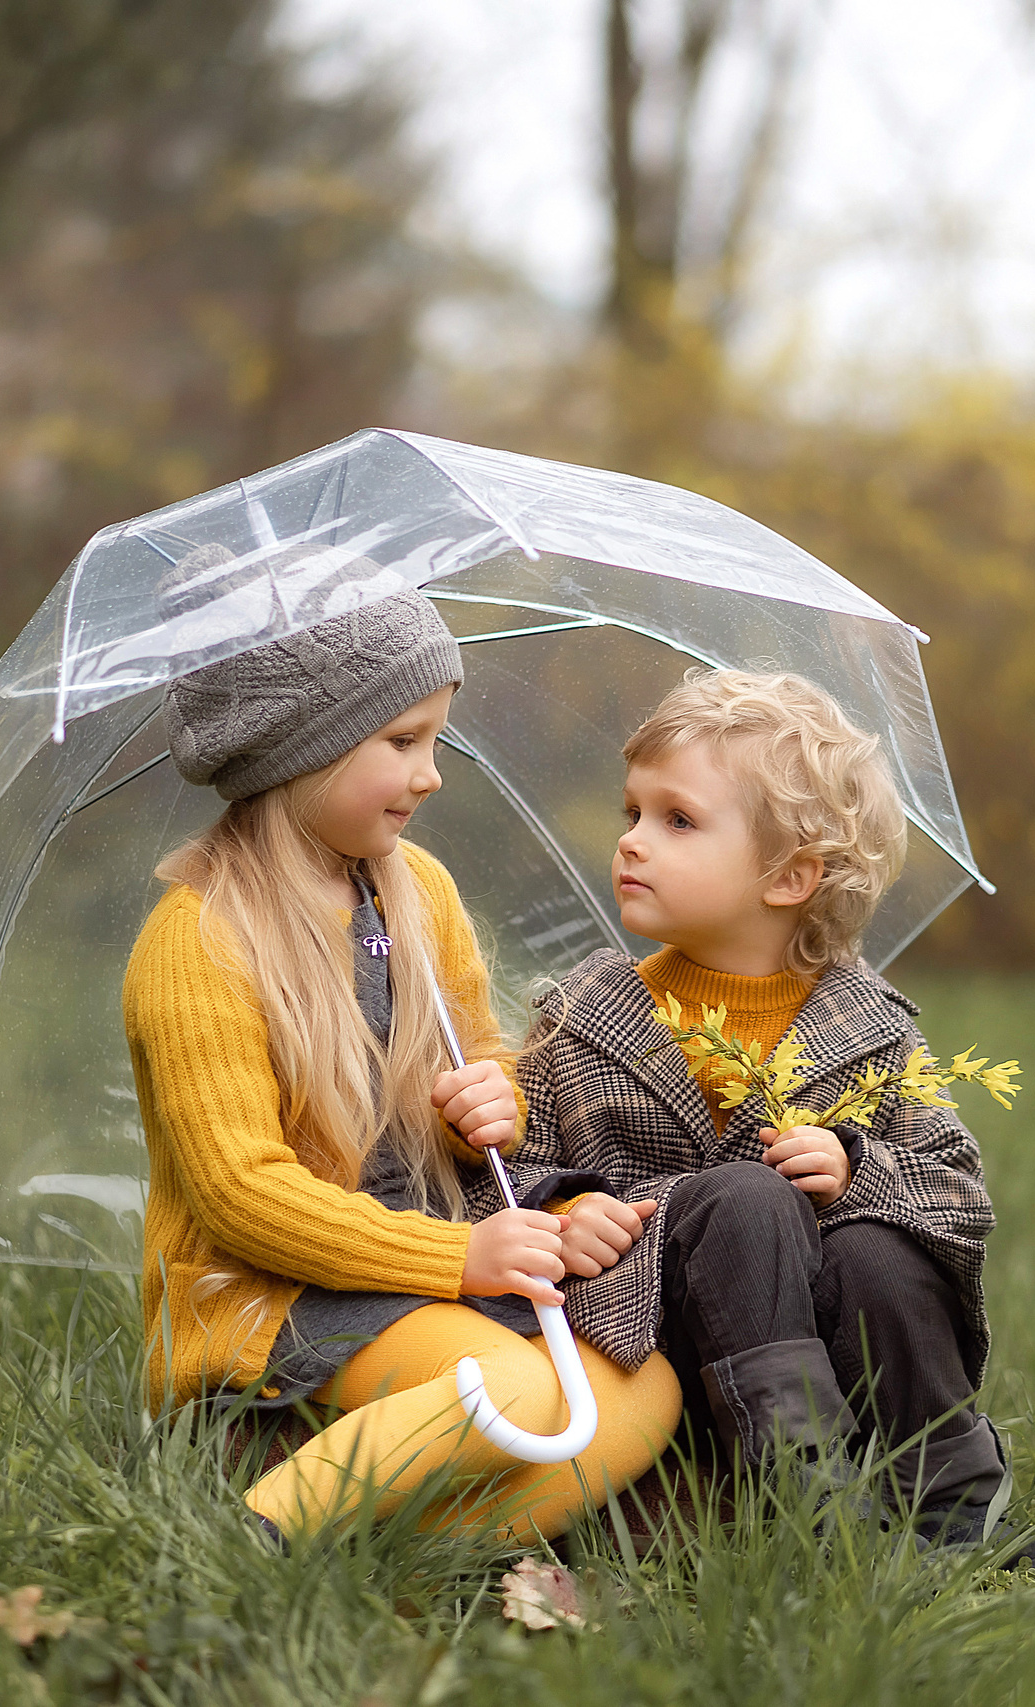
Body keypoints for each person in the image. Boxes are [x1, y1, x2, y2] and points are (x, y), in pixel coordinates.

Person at [122, 546, 682, 1548]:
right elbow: (241, 1196)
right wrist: (460, 1256)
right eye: (402, 738)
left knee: (640, 1387)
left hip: (414, 1269)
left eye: (436, 739)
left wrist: (488, 1111)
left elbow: (478, 1053)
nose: (429, 773)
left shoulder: (415, 893)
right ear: (299, 745)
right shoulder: (200, 938)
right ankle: (248, 1542)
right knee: (508, 1384)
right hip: (273, 1303)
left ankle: (399, 1564)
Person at [503, 668, 1032, 1557]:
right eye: (633, 812)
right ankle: (807, 1507)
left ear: (789, 877)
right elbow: (504, 1177)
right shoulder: (583, 1018)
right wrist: (562, 1211)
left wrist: (858, 1167)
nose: (631, 841)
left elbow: (956, 1195)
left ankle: (951, 1509)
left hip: (827, 1334)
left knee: (880, 1252)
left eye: (676, 820)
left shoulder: (864, 1028)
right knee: (747, 1197)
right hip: (657, 1344)